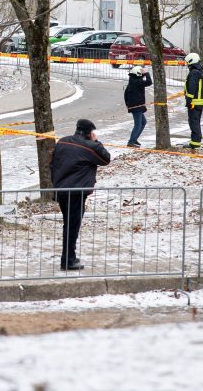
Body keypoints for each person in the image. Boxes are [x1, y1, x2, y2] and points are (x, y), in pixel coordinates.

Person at [50, 119, 111, 271]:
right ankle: (68, 260)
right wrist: (97, 142)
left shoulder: (62, 142)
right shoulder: (90, 146)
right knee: (72, 225)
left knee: (69, 224)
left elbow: (52, 163)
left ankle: (69, 256)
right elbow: (106, 158)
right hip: (76, 191)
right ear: (90, 133)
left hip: (62, 189)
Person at [124, 65, 152, 147]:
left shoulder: (133, 80)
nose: (142, 76)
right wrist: (146, 73)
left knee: (143, 122)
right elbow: (149, 82)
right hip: (136, 107)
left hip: (136, 106)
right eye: (141, 74)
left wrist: (128, 105)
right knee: (138, 124)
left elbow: (125, 94)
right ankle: (131, 142)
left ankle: (134, 139)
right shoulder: (136, 82)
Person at [184, 52, 203, 149]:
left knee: (193, 122)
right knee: (195, 121)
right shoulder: (200, 72)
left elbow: (192, 88)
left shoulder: (194, 73)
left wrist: (189, 101)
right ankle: (196, 140)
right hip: (199, 102)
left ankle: (195, 142)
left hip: (194, 102)